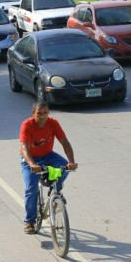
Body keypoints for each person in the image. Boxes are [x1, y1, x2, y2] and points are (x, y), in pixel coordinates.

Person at [20, 101, 78, 235]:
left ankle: (55, 188)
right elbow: (25, 148)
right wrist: (33, 164)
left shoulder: (53, 123)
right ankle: (30, 221)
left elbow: (65, 142)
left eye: (45, 113)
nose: (42, 116)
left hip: (48, 155)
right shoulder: (27, 125)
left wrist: (71, 161)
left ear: (48, 113)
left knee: (64, 167)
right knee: (31, 189)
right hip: (30, 159)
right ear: (33, 113)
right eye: (39, 113)